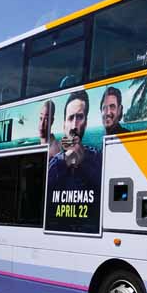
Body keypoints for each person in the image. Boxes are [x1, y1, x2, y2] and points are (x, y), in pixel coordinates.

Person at [46, 90, 102, 233]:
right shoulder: (52, 161)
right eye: (70, 118)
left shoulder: (96, 157)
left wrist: (83, 162)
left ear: (86, 122)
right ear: (64, 123)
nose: (74, 125)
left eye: (80, 117)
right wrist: (64, 161)